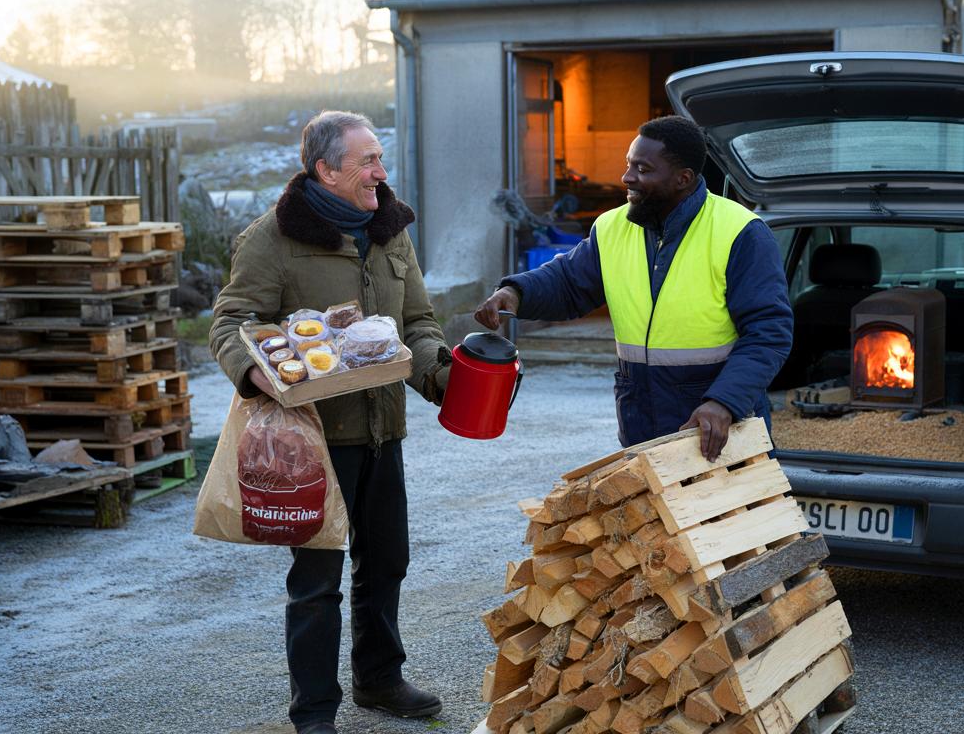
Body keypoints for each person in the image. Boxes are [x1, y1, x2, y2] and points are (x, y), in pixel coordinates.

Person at [210, 111, 450, 734]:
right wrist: (255, 372)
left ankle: (379, 680)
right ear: (325, 169)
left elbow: (417, 324)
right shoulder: (273, 238)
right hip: (313, 441)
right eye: (367, 160)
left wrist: (444, 376)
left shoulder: (390, 231)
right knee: (317, 581)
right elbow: (231, 321)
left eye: (380, 157)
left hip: (382, 431)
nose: (381, 171)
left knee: (387, 561)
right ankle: (314, 710)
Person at [476, 116, 791, 461]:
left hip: (718, 432)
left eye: (643, 169)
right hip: (643, 426)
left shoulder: (740, 231)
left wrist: (724, 401)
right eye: (629, 164)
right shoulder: (612, 227)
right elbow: (567, 282)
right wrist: (516, 293)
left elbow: (768, 332)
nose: (627, 177)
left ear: (682, 179)